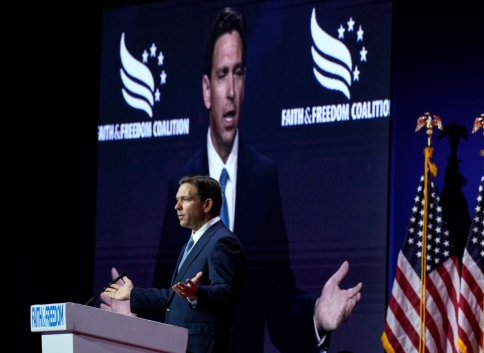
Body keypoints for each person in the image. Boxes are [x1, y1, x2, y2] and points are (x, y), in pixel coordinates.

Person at [101, 7, 362, 353]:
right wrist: (134, 315)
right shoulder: (180, 184)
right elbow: (169, 302)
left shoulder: (263, 179)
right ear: (207, 90)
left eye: (238, 73)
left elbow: (279, 302)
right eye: (222, 75)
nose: (231, 91)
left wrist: (316, 317)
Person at [103, 175, 247, 353]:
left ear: (207, 205)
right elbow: (174, 296)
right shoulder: (190, 244)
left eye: (185, 199)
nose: (176, 206)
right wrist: (133, 295)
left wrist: (197, 294)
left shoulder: (222, 241)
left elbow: (226, 292)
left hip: (204, 347)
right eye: (177, 200)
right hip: (180, 345)